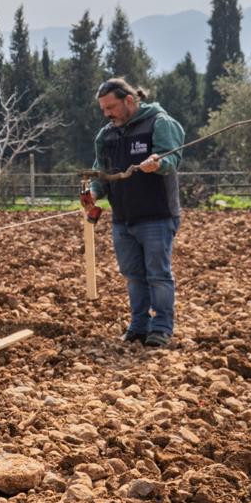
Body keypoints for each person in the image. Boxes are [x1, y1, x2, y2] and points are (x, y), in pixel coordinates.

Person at [81, 77, 185, 348]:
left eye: (111, 107)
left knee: (157, 274)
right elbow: (102, 174)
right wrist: (93, 193)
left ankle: (161, 328)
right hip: (123, 218)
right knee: (133, 274)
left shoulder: (159, 123)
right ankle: (139, 326)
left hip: (157, 215)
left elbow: (172, 158)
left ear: (129, 100)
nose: (107, 114)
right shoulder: (106, 136)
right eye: (103, 109)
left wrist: (158, 163)